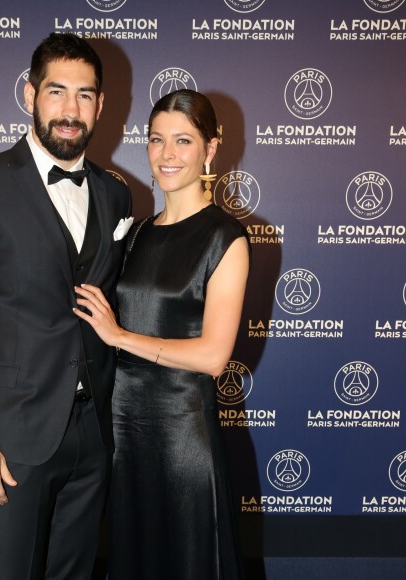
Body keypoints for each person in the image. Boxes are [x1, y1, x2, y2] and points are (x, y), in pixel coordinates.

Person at [0, 32, 132, 580]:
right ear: (29, 94)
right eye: (57, 92)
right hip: (14, 438)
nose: (71, 110)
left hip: (93, 433)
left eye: (85, 95)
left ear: (101, 105)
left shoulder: (117, 195)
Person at [74, 89, 249, 579]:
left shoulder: (225, 239)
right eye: (156, 140)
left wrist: (120, 337)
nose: (167, 155)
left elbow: (214, 356)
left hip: (183, 439)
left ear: (211, 148)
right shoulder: (136, 234)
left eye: (183, 141)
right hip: (125, 435)